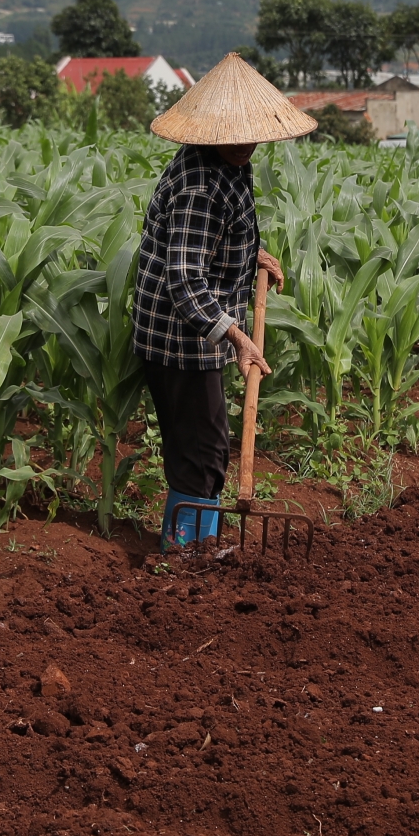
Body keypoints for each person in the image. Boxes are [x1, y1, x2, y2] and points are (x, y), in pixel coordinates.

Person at [132, 54, 317, 550]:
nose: (246, 144)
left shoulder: (230, 163)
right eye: (235, 135)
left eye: (252, 134)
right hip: (180, 336)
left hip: (198, 330)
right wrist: (238, 339)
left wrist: (253, 252)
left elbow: (208, 239)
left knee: (205, 444)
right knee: (203, 447)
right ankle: (187, 549)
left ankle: (197, 541)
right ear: (212, 131)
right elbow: (186, 278)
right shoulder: (198, 182)